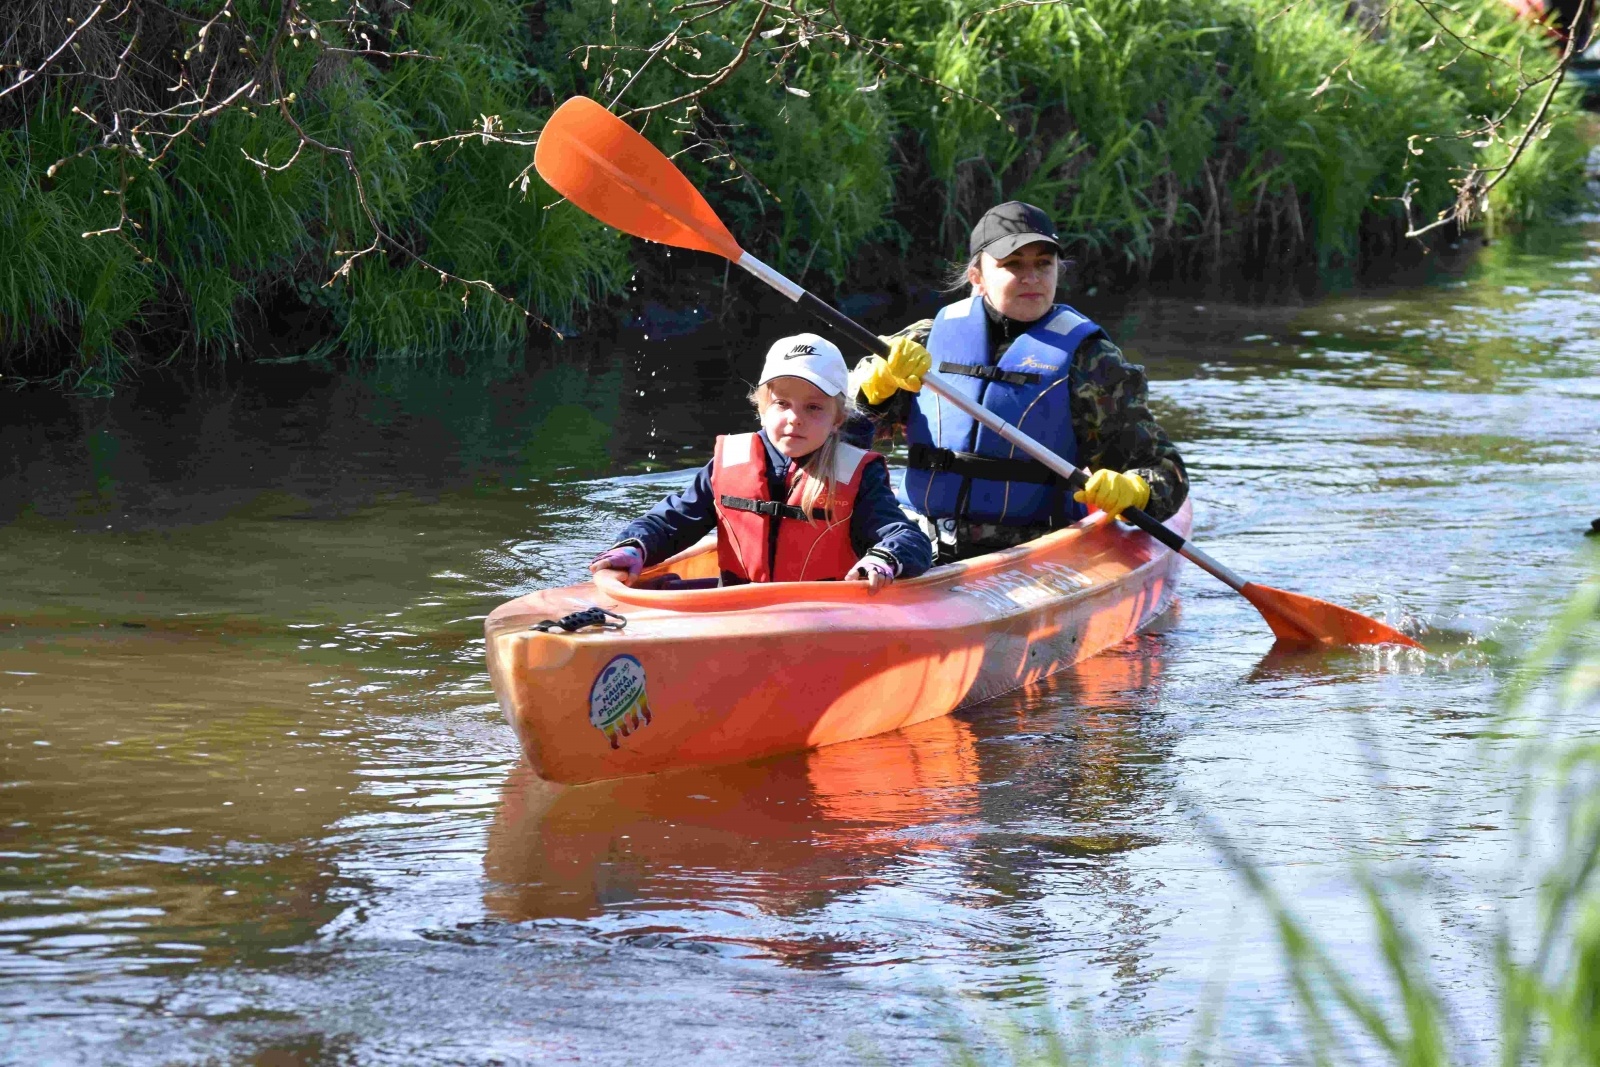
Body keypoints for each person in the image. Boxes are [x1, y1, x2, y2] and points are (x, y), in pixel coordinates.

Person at [846, 201, 1189, 562]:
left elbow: (1165, 472)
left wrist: (1136, 489)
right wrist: (873, 391)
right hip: (916, 543)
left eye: (1044, 264)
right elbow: (838, 428)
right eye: (1013, 265)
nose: (1033, 278)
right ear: (976, 275)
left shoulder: (1091, 360)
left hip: (1033, 554)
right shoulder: (923, 342)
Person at [589, 334, 933, 590]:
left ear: (837, 418)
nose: (794, 419)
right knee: (657, 587)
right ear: (762, 407)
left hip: (826, 612)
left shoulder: (859, 473)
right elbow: (674, 519)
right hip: (738, 604)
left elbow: (906, 536)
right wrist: (636, 545)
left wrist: (885, 558)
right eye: (782, 403)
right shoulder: (730, 461)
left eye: (813, 407)